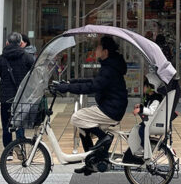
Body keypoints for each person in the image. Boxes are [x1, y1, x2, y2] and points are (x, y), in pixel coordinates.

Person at [53, 35, 128, 175]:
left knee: (77, 117)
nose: (95, 50)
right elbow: (95, 81)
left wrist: (68, 88)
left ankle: (104, 137)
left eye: (98, 47)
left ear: (105, 52)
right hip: (111, 107)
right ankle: (91, 162)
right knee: (83, 128)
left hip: (112, 109)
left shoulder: (109, 69)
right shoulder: (110, 65)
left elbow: (93, 86)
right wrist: (72, 82)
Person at [0, 32, 35, 151]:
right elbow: (34, 75)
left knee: (6, 125)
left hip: (6, 97)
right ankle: (21, 146)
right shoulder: (27, 57)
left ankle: (9, 151)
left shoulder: (1, 59)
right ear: (21, 43)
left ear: (7, 43)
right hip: (21, 96)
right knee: (20, 123)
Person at [123, 79, 164, 164]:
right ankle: (135, 150)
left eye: (144, 86)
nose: (143, 88)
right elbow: (147, 107)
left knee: (141, 130)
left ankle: (143, 148)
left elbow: (152, 111)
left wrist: (140, 109)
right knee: (135, 130)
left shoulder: (156, 98)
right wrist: (140, 106)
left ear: (150, 87)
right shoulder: (149, 97)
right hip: (149, 121)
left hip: (152, 122)